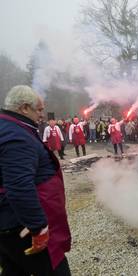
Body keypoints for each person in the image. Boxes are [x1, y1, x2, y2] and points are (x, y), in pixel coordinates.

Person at [0, 85, 71, 275]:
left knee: (14, 268)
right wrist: (38, 228)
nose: (41, 115)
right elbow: (19, 187)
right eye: (38, 110)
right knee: (55, 269)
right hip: (21, 226)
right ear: (24, 108)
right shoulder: (16, 136)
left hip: (8, 221)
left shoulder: (8, 127)